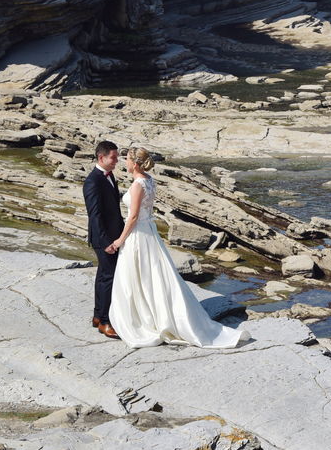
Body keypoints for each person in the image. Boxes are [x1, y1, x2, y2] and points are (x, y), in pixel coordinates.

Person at [106, 146, 250, 349]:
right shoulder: (149, 180)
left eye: (127, 159)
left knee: (140, 277)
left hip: (139, 235)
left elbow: (134, 217)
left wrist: (120, 240)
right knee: (152, 276)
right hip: (150, 232)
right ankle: (157, 315)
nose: (124, 163)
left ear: (135, 163)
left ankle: (147, 320)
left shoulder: (138, 184)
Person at [83, 140, 123, 339]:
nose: (117, 161)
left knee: (103, 276)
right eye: (113, 157)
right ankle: (105, 323)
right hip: (103, 238)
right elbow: (95, 215)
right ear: (102, 157)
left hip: (113, 235)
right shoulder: (93, 181)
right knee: (108, 279)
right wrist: (107, 241)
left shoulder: (109, 176)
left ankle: (98, 316)